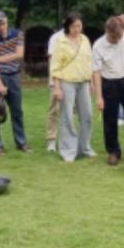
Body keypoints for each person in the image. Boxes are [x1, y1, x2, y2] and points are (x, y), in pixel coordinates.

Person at [91, 15, 124, 165]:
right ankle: (113, 151)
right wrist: (99, 97)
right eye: (113, 38)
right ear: (107, 31)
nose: (117, 40)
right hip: (108, 83)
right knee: (110, 119)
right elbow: (96, 72)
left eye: (119, 37)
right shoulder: (98, 45)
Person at [50, 10, 96, 163]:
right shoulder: (61, 42)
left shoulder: (85, 40)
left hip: (84, 82)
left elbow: (90, 62)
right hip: (67, 82)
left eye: (79, 26)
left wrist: (92, 82)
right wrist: (57, 88)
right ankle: (68, 151)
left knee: (87, 115)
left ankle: (84, 148)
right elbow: (55, 66)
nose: (77, 29)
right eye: (74, 26)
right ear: (68, 26)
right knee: (67, 116)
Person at [0, 11, 30, 155]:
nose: (1, 27)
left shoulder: (17, 34)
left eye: (2, 23)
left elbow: (19, 54)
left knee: (17, 111)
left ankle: (21, 143)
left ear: (7, 20)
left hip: (14, 76)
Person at [45, 20, 65, 153]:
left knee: (70, 111)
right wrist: (53, 80)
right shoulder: (55, 38)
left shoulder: (79, 38)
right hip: (56, 78)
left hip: (72, 79)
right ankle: (51, 140)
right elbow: (52, 60)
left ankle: (66, 139)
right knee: (54, 110)